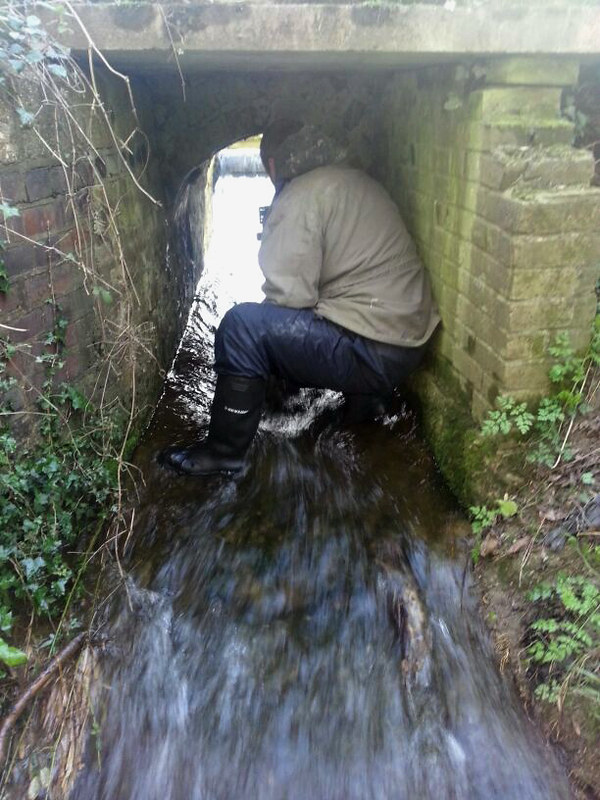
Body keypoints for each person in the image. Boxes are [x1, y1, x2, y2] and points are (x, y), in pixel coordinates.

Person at [162, 120, 440, 476]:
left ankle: (223, 454)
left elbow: (287, 298)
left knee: (242, 328)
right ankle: (368, 404)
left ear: (273, 164)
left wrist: (258, 369)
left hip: (371, 351)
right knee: (318, 312)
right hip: (410, 342)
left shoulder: (300, 195)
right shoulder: (355, 181)